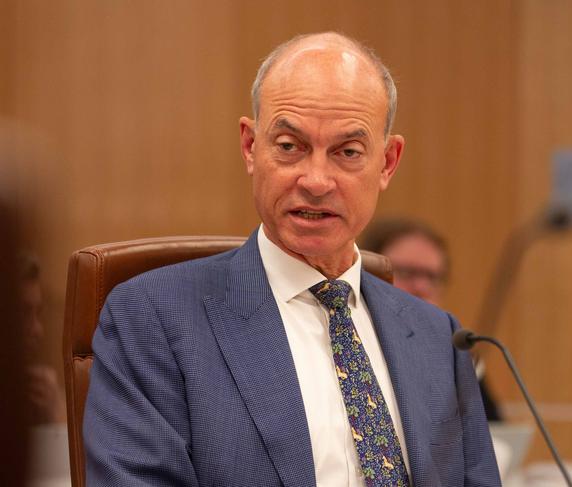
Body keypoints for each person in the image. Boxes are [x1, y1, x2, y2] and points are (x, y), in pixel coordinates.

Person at [84, 32, 501, 486]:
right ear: (250, 147)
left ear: (387, 162)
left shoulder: (437, 338)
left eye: (348, 152)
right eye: (289, 146)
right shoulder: (153, 320)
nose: (317, 180)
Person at [362, 218, 502, 421]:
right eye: (406, 272)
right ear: (367, 272)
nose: (422, 288)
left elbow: (497, 436)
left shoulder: (453, 353)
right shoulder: (348, 342)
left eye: (432, 277)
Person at [19, 253, 67, 425]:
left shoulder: (42, 395)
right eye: (23, 314)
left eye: (37, 314)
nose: (38, 330)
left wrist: (55, 417)